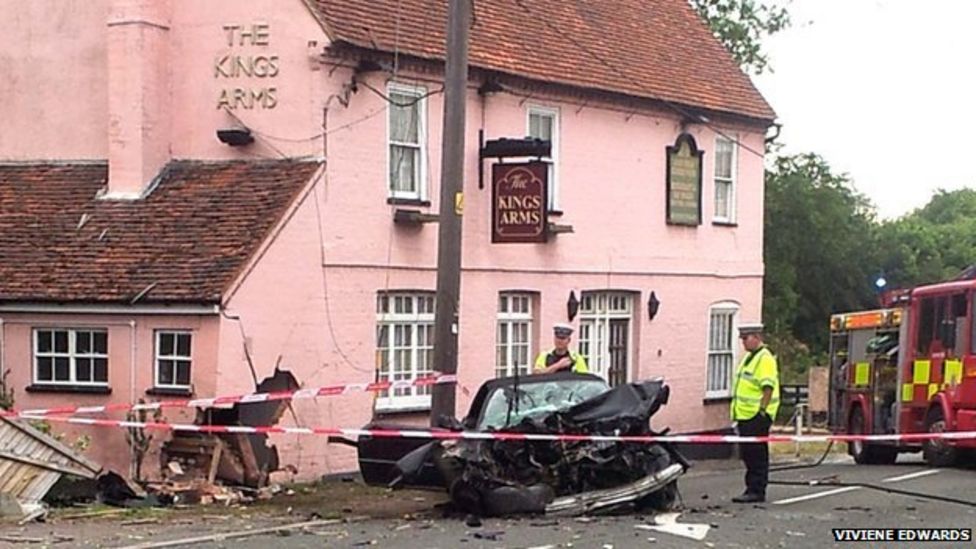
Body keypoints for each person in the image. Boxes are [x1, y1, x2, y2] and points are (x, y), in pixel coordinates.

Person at [730, 322, 780, 504]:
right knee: (749, 454)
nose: (743, 342)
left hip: (755, 416)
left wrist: (762, 411)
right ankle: (751, 488)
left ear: (757, 337)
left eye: (746, 338)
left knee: (756, 454)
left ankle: (756, 490)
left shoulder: (764, 358)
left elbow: (768, 387)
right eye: (742, 339)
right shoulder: (750, 357)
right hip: (745, 415)